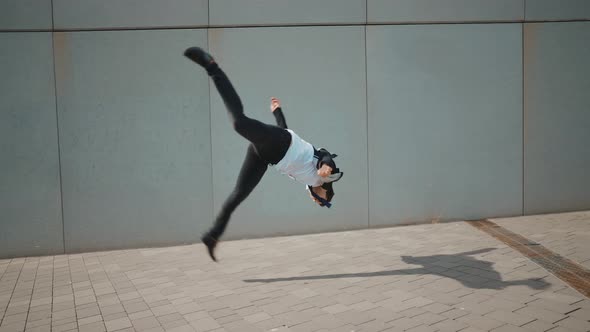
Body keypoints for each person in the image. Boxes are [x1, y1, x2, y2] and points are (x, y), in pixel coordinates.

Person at [184, 47, 343, 261]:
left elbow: (285, 130)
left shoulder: (308, 181)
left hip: (268, 155)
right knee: (239, 123)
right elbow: (325, 155)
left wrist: (277, 112)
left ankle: (213, 236)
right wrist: (326, 166)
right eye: (323, 202)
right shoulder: (323, 175)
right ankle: (212, 67)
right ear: (326, 192)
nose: (318, 202)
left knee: (238, 195)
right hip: (281, 143)